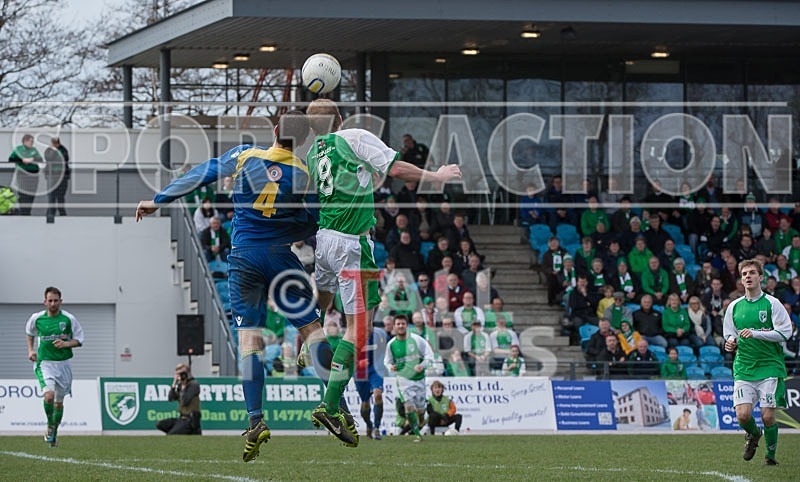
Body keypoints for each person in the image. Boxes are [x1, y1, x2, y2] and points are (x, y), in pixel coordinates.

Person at [136, 111, 357, 458]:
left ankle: (256, 420)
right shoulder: (305, 173)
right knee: (313, 332)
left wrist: (158, 200)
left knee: (250, 341)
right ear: (302, 141)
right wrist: (289, 228)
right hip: (281, 258)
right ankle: (336, 407)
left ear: (274, 130)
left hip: (244, 259)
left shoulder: (244, 156)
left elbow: (200, 174)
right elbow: (314, 222)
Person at [305, 99, 461, 439]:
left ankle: (310, 337)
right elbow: (396, 169)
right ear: (341, 118)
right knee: (359, 330)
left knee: (327, 297)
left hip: (324, 238)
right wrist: (436, 176)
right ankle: (329, 405)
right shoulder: (354, 137)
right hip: (351, 242)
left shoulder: (313, 153)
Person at [724, 259, 793, 466]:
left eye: (752, 273)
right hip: (744, 366)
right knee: (743, 415)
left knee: (767, 416)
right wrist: (730, 342)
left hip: (770, 366)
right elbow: (729, 333)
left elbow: (785, 332)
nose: (748, 276)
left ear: (761, 277)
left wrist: (756, 333)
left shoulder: (772, 303)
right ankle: (754, 434)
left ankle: (770, 457)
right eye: (744, 273)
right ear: (741, 279)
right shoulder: (734, 306)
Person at [25, 286, 84, 447]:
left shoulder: (68, 319)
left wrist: (66, 344)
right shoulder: (37, 318)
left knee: (58, 403)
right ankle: (50, 424)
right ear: (45, 301)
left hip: (64, 365)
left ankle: (54, 434)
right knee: (49, 396)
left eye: (55, 300)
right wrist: (30, 350)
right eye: (50, 300)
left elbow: (79, 340)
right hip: (45, 363)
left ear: (60, 301)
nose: (53, 303)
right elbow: (29, 332)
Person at [384, 314, 434, 442]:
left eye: (403, 324)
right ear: (394, 326)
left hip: (419, 379)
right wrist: (391, 367)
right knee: (409, 407)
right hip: (403, 379)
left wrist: (422, 366)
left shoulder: (417, 340)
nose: (400, 326)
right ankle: (417, 435)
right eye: (398, 324)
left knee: (420, 411)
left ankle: (421, 421)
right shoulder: (391, 344)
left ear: (407, 326)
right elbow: (387, 361)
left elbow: (429, 355)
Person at [156, 363, 202, 435]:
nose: (180, 376)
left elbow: (185, 401)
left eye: (181, 374)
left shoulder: (193, 385)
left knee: (171, 435)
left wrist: (183, 387)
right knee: (160, 424)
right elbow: (171, 398)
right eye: (178, 374)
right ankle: (181, 432)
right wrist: (174, 384)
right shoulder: (180, 385)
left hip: (190, 420)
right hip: (181, 418)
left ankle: (190, 432)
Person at [9, 133, 42, 215]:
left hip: (33, 174)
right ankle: (23, 211)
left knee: (31, 193)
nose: (32, 143)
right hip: (23, 174)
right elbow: (11, 159)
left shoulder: (34, 150)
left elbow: (40, 159)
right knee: (23, 193)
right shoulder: (19, 149)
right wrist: (22, 159)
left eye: (33, 141)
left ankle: (28, 211)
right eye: (30, 141)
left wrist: (32, 159)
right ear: (25, 141)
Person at [44, 137, 70, 217]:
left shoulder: (63, 150)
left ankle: (62, 213)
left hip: (62, 176)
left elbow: (65, 158)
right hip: (52, 175)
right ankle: (51, 213)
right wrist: (54, 151)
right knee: (51, 196)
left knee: (61, 196)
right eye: (53, 143)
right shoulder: (49, 150)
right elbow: (49, 158)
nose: (55, 144)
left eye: (56, 143)